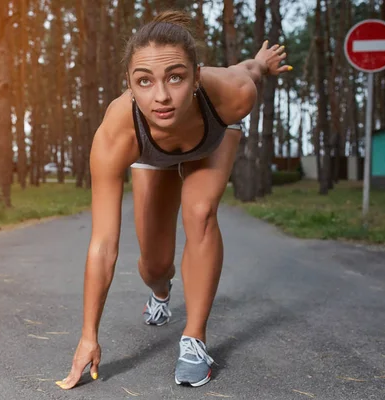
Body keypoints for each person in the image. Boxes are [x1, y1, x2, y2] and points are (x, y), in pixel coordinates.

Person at [56, 10, 291, 389]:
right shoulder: (117, 133)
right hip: (152, 152)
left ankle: (194, 339)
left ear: (196, 76)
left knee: (200, 213)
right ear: (129, 85)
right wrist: (88, 335)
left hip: (211, 135)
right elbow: (103, 245)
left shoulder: (233, 95)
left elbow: (246, 70)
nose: (161, 95)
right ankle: (160, 291)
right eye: (144, 81)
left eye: (176, 77)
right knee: (154, 263)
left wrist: (261, 63)